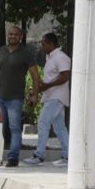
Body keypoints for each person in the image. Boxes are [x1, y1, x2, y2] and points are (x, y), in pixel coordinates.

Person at [0, 26, 41, 166]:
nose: (12, 36)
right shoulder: (2, 50)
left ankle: (13, 157)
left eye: (16, 34)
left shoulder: (26, 53)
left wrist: (34, 95)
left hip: (15, 99)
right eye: (10, 34)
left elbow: (35, 75)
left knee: (15, 128)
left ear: (21, 36)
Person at [25, 32, 72, 166]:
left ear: (51, 44)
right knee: (59, 128)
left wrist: (47, 86)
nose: (41, 46)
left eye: (43, 43)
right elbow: (51, 79)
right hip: (52, 96)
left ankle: (39, 155)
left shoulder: (61, 57)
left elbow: (65, 76)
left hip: (56, 97)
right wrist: (39, 88)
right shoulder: (50, 58)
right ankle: (68, 157)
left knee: (42, 123)